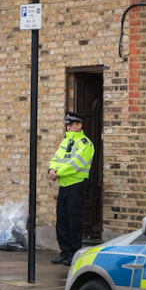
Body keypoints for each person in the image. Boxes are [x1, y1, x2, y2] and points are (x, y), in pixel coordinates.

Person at [48, 112, 94, 265]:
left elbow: (76, 164)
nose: (68, 126)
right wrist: (51, 169)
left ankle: (74, 253)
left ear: (79, 125)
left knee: (74, 221)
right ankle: (64, 252)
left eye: (71, 124)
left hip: (76, 186)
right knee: (62, 220)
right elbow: (56, 158)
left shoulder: (85, 143)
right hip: (63, 185)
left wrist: (58, 172)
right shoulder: (65, 141)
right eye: (67, 124)